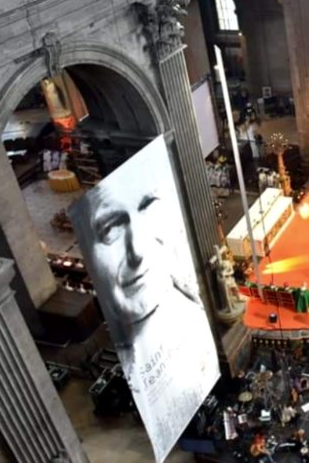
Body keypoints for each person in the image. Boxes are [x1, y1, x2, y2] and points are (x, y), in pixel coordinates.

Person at [69, 139, 219, 462]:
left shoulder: (198, 322)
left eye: (149, 207)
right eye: (110, 228)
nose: (138, 250)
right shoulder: (133, 370)